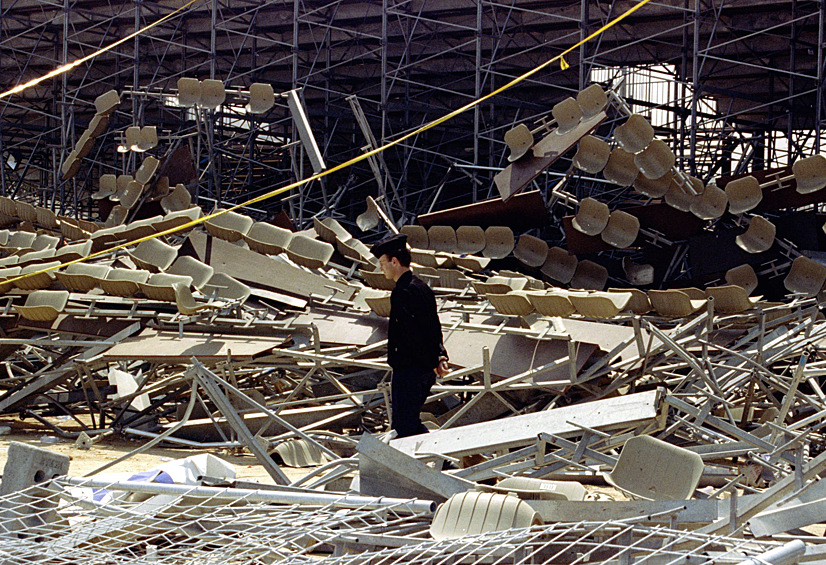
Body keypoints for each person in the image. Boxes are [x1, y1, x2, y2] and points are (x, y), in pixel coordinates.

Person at [370, 233, 449, 438]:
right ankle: (439, 461)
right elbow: (434, 326)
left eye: (382, 262)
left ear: (394, 261)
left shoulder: (402, 292)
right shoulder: (422, 287)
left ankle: (442, 460)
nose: (381, 268)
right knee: (409, 423)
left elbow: (411, 334)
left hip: (410, 369)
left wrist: (431, 360)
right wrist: (440, 356)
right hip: (423, 369)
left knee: (404, 425)